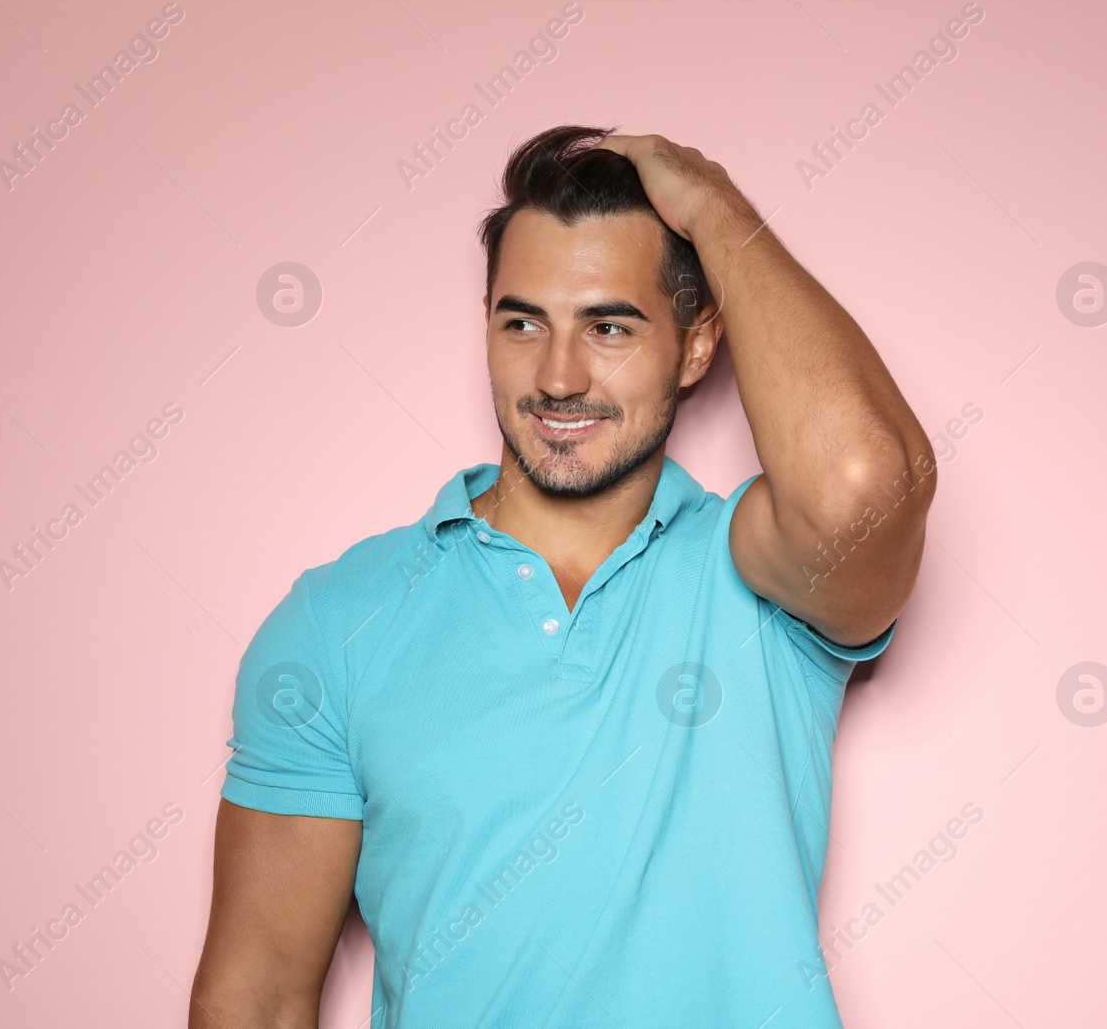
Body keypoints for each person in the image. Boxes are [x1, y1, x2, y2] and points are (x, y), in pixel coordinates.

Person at [188, 125, 937, 1028]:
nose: (557, 375)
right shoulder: (337, 619)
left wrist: (714, 206)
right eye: (523, 322)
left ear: (698, 347)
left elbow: (866, 482)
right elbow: (256, 996)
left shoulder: (760, 580)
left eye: (609, 326)